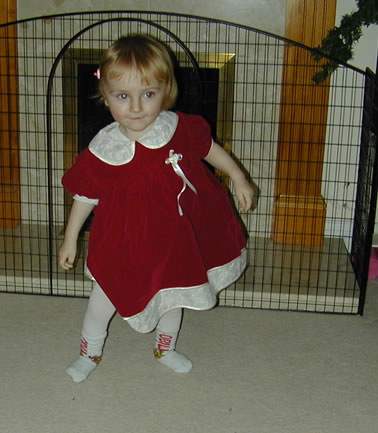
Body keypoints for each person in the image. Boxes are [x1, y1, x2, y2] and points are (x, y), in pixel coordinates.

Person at [58, 33, 255, 383]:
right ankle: (89, 353)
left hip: (171, 241)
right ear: (105, 96)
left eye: (148, 94)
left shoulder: (178, 128)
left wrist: (238, 176)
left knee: (173, 297)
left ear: (166, 91)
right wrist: (70, 238)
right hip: (121, 244)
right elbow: (85, 196)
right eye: (123, 96)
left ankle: (165, 348)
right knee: (101, 302)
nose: (136, 107)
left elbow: (210, 149)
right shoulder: (103, 149)